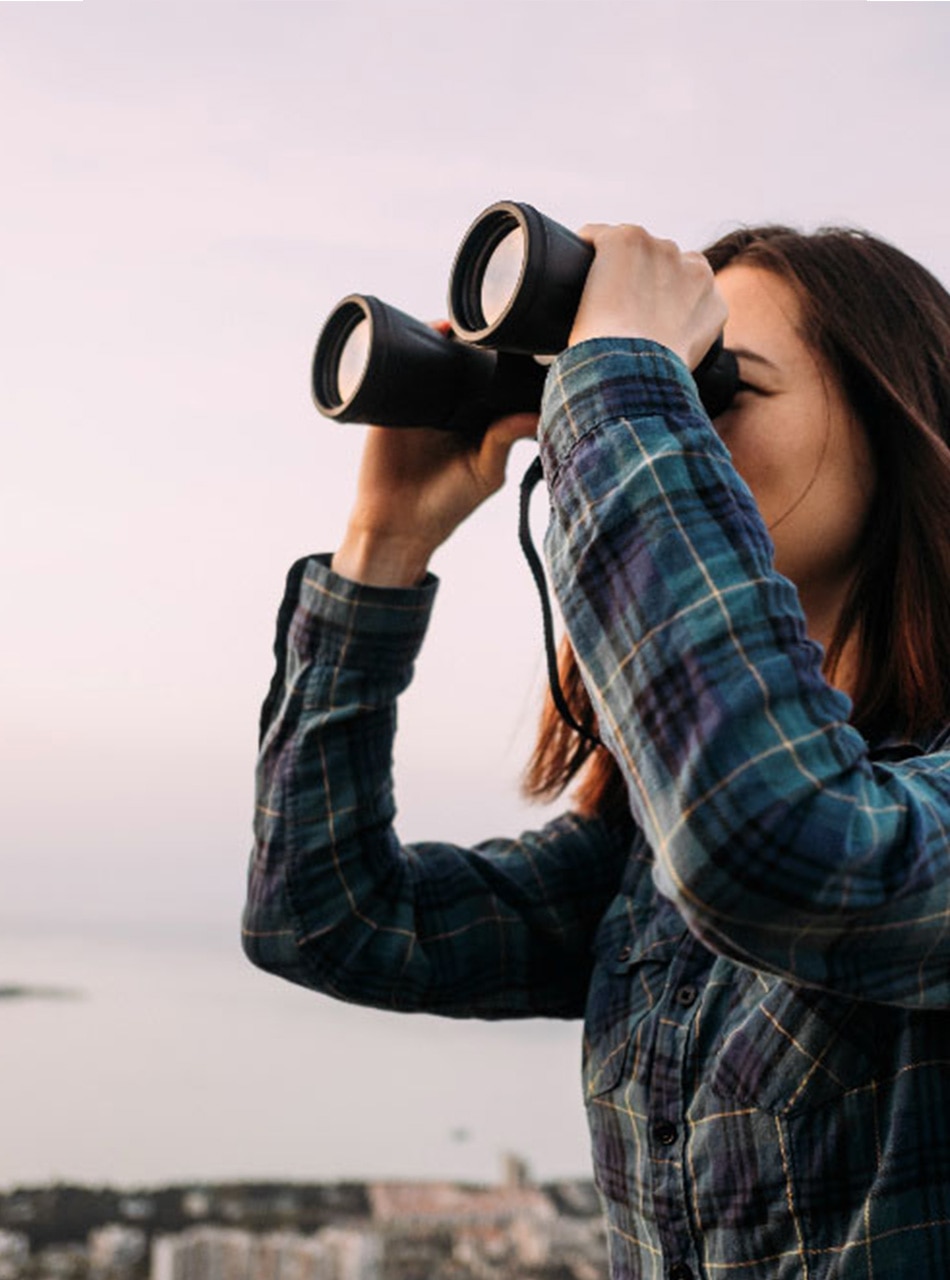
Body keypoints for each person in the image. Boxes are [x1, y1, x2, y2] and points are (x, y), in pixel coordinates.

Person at [242, 220, 950, 1279]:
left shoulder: (827, 821)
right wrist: (383, 544)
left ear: (895, 420)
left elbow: (776, 837)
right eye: (666, 394)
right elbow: (328, 917)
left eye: (714, 389)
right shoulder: (642, 858)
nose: (674, 428)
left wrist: (620, 385)